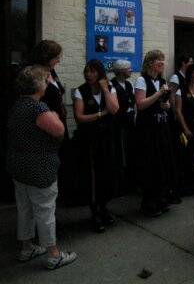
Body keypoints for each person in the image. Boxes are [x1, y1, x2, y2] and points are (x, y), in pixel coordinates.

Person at [7, 66, 76, 270]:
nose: (47, 84)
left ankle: (27, 247)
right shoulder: (38, 108)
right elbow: (59, 131)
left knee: (25, 209)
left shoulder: (18, 104)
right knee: (45, 211)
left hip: (19, 166)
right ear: (37, 85)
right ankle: (54, 254)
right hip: (39, 168)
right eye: (44, 81)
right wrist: (54, 114)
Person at [73, 59, 120, 233]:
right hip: (89, 141)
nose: (89, 75)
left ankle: (104, 207)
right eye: (87, 71)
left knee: (107, 173)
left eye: (92, 71)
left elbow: (114, 109)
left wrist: (106, 89)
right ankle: (94, 212)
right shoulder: (81, 91)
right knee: (92, 176)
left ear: (100, 73)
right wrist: (101, 113)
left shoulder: (110, 89)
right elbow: (79, 117)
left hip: (106, 138)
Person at [134, 50, 179, 216]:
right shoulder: (142, 80)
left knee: (162, 163)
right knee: (150, 164)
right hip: (147, 129)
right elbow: (140, 104)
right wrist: (159, 94)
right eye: (158, 60)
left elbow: (162, 103)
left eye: (163, 59)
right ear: (150, 62)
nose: (162, 62)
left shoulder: (162, 80)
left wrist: (165, 104)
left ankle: (161, 197)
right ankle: (149, 201)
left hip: (161, 127)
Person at [29, 40, 71, 202]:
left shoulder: (51, 72)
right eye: (56, 57)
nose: (58, 60)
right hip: (45, 125)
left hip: (59, 121)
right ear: (47, 57)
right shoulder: (33, 74)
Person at [175, 64, 194, 194]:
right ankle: (187, 185)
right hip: (188, 129)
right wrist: (185, 128)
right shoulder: (182, 90)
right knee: (188, 157)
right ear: (190, 75)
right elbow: (178, 111)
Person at [111, 60, 137, 192]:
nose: (131, 70)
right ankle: (120, 183)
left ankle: (131, 180)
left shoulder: (129, 84)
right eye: (128, 68)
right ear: (121, 71)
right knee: (120, 152)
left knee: (131, 149)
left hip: (130, 123)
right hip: (118, 124)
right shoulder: (112, 85)